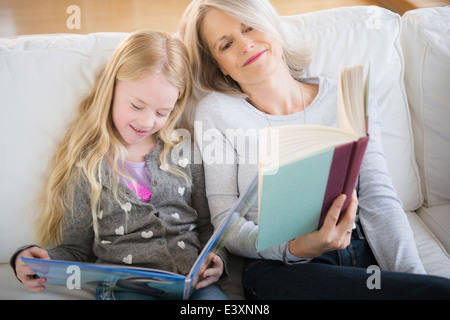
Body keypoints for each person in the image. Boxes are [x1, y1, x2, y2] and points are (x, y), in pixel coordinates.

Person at [179, 0, 450, 299]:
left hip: (360, 249)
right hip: (281, 266)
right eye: (226, 44)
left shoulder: (346, 95)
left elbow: (379, 197)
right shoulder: (216, 112)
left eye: (250, 27)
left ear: (271, 26)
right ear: (220, 65)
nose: (245, 44)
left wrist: (413, 280)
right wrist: (295, 248)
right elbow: (225, 221)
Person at [11, 30, 227, 300]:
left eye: (162, 112)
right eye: (137, 106)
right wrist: (37, 260)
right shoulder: (88, 167)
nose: (147, 122)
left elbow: (208, 227)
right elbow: (75, 249)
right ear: (111, 90)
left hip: (192, 282)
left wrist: (217, 260)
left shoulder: (183, 152)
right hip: (125, 287)